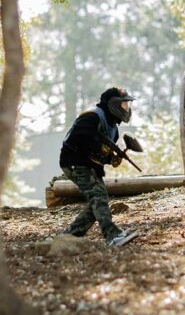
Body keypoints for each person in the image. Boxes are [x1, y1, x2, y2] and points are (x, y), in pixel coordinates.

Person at [59, 87, 139, 247]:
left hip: (89, 166)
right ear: (113, 104)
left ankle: (69, 236)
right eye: (123, 105)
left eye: (127, 106)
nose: (126, 109)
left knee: (96, 203)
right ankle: (112, 236)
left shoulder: (114, 130)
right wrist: (106, 154)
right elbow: (80, 139)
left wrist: (111, 159)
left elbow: (101, 153)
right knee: (99, 198)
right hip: (75, 162)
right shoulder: (92, 116)